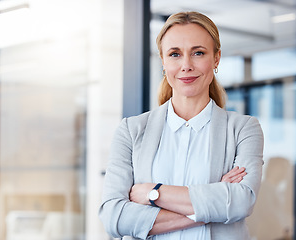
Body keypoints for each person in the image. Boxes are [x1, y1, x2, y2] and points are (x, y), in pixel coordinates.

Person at [99, 11, 264, 240]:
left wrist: (152, 193)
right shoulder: (131, 131)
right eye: (175, 54)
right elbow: (114, 217)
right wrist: (210, 207)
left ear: (216, 59)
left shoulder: (243, 129)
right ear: (163, 61)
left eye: (198, 53)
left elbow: (240, 202)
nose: (186, 65)